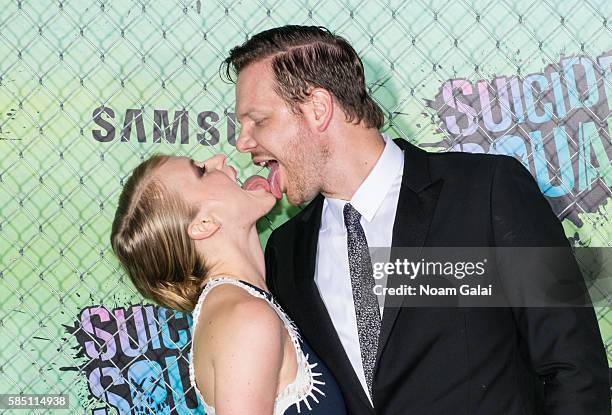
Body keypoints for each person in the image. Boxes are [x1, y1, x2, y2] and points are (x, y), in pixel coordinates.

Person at [224, 25, 610, 414]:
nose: (242, 142)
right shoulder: (286, 249)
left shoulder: (487, 191)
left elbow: (574, 367)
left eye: (258, 120)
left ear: (318, 108)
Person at [110, 153, 346, 414]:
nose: (218, 159)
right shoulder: (245, 318)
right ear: (204, 224)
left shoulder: (238, 306)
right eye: (201, 170)